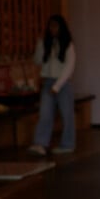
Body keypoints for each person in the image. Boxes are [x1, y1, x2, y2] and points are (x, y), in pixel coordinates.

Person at [29, 14, 76, 155]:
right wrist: (40, 45)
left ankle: (68, 144)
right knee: (45, 114)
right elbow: (37, 61)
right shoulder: (45, 43)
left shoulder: (68, 45)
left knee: (67, 115)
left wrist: (57, 86)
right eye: (50, 26)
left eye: (55, 26)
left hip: (62, 83)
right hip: (48, 81)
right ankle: (40, 143)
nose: (52, 29)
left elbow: (69, 66)